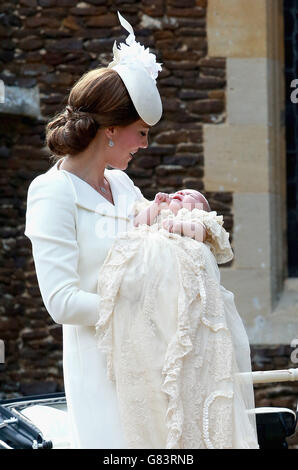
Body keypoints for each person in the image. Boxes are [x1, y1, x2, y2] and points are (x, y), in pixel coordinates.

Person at [24, 11, 163, 449]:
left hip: (150, 360)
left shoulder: (121, 184)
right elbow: (61, 301)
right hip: (99, 370)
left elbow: (153, 243)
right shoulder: (51, 192)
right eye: (140, 133)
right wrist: (135, 302)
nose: (144, 145)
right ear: (110, 131)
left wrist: (178, 214)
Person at [95, 189, 260, 448]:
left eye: (191, 195)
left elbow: (202, 233)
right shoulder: (154, 212)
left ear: (201, 208)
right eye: (178, 193)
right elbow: (137, 224)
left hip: (183, 280)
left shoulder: (199, 220)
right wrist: (155, 208)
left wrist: (180, 223)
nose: (181, 194)